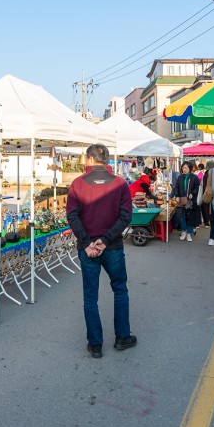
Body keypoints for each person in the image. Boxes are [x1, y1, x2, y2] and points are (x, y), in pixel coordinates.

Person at [66, 144, 136, 359]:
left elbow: (72, 216)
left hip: (88, 249)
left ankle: (95, 344)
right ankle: (122, 337)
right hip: (112, 246)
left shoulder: (77, 184)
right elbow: (126, 216)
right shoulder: (120, 184)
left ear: (89, 159)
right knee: (120, 290)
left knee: (90, 297)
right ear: (106, 161)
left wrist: (88, 243)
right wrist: (104, 241)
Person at [170, 162, 200, 241]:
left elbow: (197, 188)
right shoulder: (180, 177)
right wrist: (177, 196)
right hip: (181, 200)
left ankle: (189, 233)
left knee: (190, 217)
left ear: (190, 168)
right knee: (181, 216)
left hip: (190, 200)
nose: (184, 169)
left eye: (186, 168)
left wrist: (192, 193)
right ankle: (184, 231)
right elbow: (176, 188)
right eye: (183, 168)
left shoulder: (194, 177)